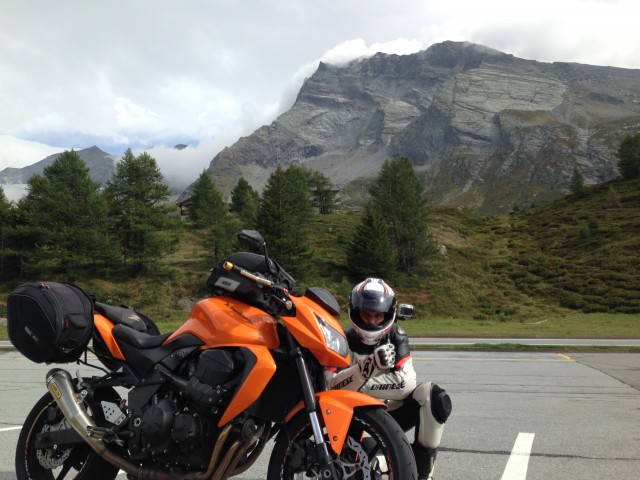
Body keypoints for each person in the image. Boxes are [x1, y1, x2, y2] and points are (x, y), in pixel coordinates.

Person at [326, 278, 452, 480]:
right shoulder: (339, 338)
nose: (372, 321)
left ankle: (425, 474)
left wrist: (358, 386)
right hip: (353, 420)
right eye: (366, 314)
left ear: (388, 315)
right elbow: (331, 387)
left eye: (378, 315)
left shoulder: (396, 336)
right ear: (355, 312)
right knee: (368, 470)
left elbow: (406, 384)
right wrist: (367, 368)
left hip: (390, 414)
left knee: (434, 397)